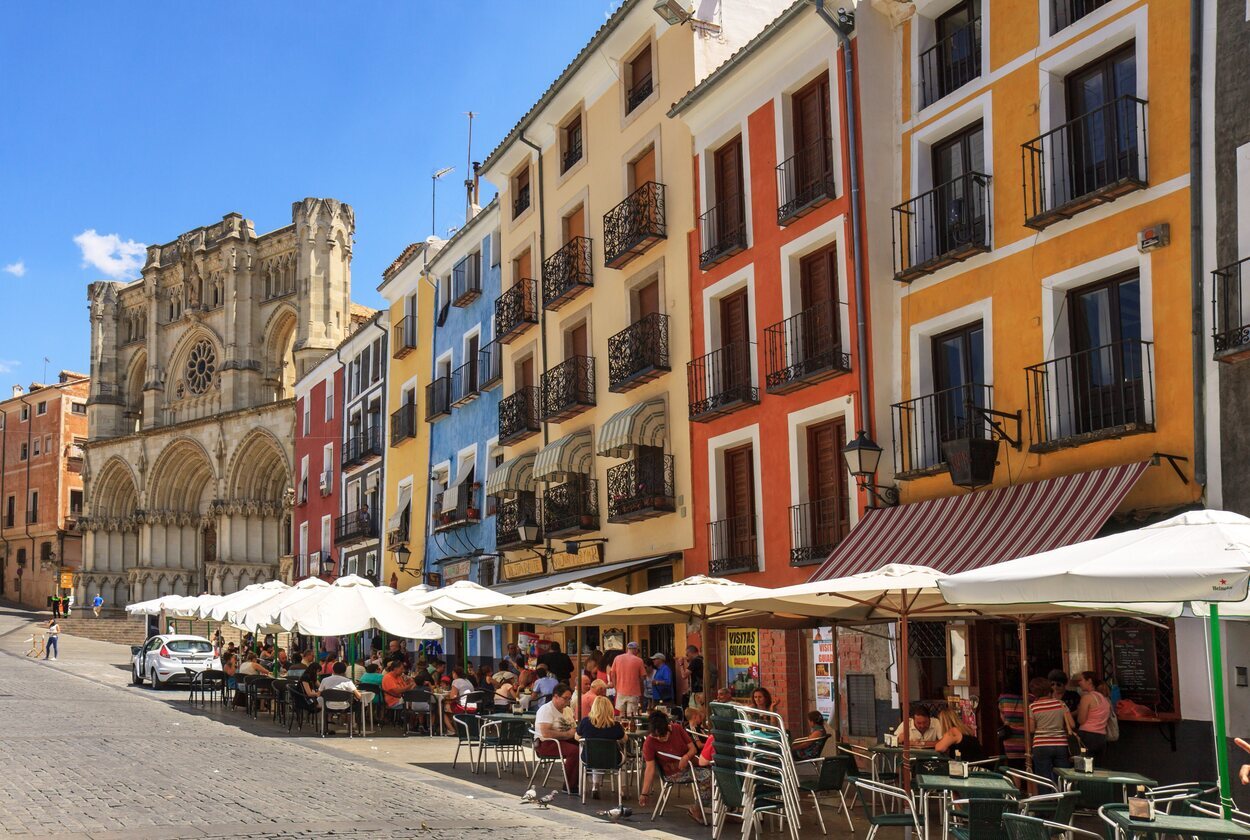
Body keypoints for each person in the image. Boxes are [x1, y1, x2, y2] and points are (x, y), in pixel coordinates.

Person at [639, 710, 710, 825]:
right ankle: (697, 808)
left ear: (668, 727)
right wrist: (644, 793)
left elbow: (693, 749)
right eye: (657, 737)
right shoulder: (649, 742)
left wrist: (686, 757)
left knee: (717, 774)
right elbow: (650, 768)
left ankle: (724, 809)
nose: (661, 739)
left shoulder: (677, 728)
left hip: (689, 765)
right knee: (707, 776)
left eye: (663, 735)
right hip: (672, 773)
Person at [577, 695, 626, 800]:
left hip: (589, 759)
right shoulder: (615, 725)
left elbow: (577, 737)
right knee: (623, 761)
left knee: (595, 755)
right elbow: (624, 739)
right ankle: (622, 789)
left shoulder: (585, 722)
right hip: (613, 759)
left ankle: (595, 786)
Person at [1029, 676, 1075, 782]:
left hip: (1041, 745)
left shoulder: (1033, 707)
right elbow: (1072, 724)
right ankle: (1064, 797)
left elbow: (1031, 729)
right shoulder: (1060, 704)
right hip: (1060, 744)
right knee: (1063, 775)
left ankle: (1047, 797)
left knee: (1043, 777)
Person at [535, 682, 579, 794]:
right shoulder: (546, 710)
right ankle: (569, 785)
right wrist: (567, 734)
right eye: (565, 698)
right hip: (546, 743)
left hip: (564, 740)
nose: (568, 701)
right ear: (555, 696)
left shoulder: (568, 710)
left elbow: (573, 727)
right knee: (575, 751)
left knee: (586, 747)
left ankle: (586, 782)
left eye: (569, 699)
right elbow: (545, 733)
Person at [1075, 671, 1111, 762]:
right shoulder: (1104, 699)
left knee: (1084, 765)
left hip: (1087, 735)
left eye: (1081, 680)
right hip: (1101, 736)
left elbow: (1081, 720)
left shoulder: (1087, 698)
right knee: (1098, 766)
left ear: (1089, 681)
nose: (1079, 683)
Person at [319, 660, 363, 730]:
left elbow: (319, 694)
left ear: (333, 670)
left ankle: (325, 728)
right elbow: (359, 696)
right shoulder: (347, 681)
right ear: (344, 671)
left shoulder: (325, 680)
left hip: (328, 705)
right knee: (354, 703)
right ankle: (350, 728)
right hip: (345, 706)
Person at [610, 641, 648, 717]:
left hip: (620, 691)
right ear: (635, 649)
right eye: (638, 651)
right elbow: (643, 677)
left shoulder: (617, 658)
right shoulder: (639, 660)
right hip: (633, 692)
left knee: (621, 715)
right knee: (632, 715)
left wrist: (615, 687)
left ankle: (622, 728)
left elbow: (612, 674)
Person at [997, 690, 1027, 767]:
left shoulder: (1003, 698)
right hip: (1026, 739)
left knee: (1014, 768)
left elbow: (1003, 717)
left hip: (1010, 739)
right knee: (1028, 767)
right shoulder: (1030, 698)